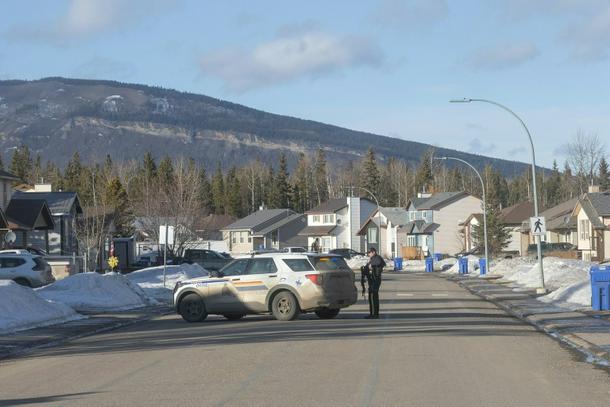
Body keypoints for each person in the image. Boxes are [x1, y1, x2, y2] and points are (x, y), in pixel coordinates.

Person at [365, 247, 385, 319]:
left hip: (376, 280)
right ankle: (372, 313)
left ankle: (375, 314)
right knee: (371, 296)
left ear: (373, 252)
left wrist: (371, 264)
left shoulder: (377, 258)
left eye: (369, 253)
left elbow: (380, 263)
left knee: (374, 297)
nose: (368, 254)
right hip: (372, 280)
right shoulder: (373, 258)